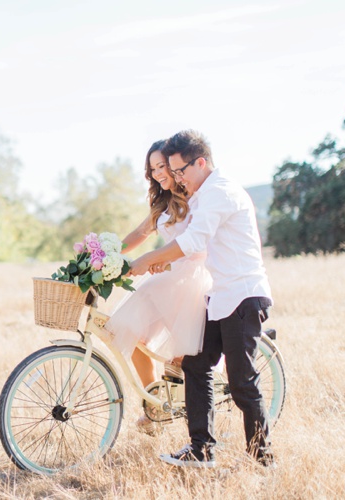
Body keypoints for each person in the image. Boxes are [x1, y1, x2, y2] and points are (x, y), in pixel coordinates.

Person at [127, 130, 274, 469]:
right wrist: (163, 259)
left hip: (244, 296)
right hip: (219, 296)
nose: (178, 179)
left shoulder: (220, 192)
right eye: (173, 173)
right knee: (195, 364)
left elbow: (193, 240)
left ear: (202, 162)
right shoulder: (202, 194)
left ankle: (262, 460)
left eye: (181, 171)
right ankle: (201, 448)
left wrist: (145, 260)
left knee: (241, 383)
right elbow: (195, 246)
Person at [104, 140, 212, 432]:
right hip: (169, 272)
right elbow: (141, 232)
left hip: (190, 276)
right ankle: (155, 402)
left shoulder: (194, 195)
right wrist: (107, 252)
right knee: (128, 331)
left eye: (162, 166)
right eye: (152, 169)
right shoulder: (162, 202)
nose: (158, 173)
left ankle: (191, 413)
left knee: (182, 355)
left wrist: (158, 260)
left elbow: (196, 241)